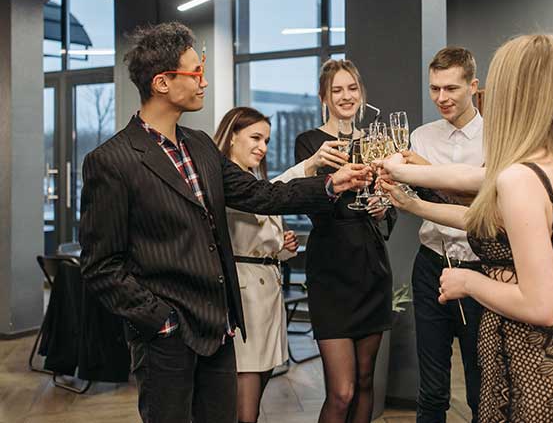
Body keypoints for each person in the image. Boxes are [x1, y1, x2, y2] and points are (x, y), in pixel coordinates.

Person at [78, 22, 368, 423]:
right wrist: (161, 321)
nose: (204, 81)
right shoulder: (112, 161)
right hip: (167, 339)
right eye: (196, 72)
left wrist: (330, 185)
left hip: (219, 331)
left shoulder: (198, 145)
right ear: (162, 82)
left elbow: (262, 195)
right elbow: (101, 266)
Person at [379, 34, 553, 422]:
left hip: (532, 366)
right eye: (435, 88)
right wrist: (405, 182)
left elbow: (542, 306)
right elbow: (474, 187)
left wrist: (467, 283)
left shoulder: (518, 175)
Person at [213, 106, 350, 423]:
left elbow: (268, 204)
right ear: (232, 137)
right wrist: (314, 166)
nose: (262, 147)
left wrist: (281, 247)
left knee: (258, 390)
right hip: (245, 298)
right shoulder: (224, 180)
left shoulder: (250, 178)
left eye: (266, 141)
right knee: (244, 403)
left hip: (266, 291)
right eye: (255, 138)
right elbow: (270, 196)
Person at [294, 58, 397, 423]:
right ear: (324, 96)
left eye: (352, 88)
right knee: (342, 391)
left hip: (372, 270)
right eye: (337, 90)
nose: (346, 96)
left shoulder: (376, 144)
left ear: (361, 93)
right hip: (330, 272)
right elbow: (307, 201)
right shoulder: (310, 144)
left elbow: (391, 205)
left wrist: (384, 209)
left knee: (366, 381)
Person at [407, 46, 484, 423]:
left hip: (480, 271)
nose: (442, 98)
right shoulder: (421, 137)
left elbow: (485, 207)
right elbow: (409, 195)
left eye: (451, 88)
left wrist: (425, 172)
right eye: (435, 88)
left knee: (480, 385)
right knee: (432, 387)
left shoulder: (498, 137)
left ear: (473, 85)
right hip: (431, 267)